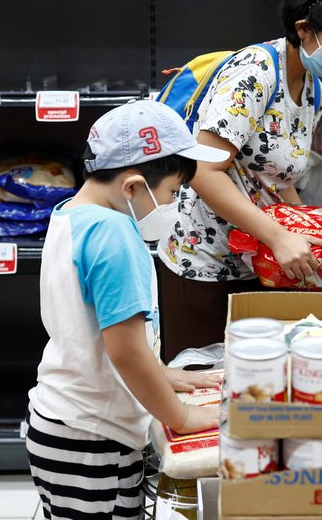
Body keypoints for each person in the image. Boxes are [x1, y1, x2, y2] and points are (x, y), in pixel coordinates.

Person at [158, 0, 322, 362]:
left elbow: (280, 177)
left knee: (253, 381)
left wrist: (311, 238)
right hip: (205, 263)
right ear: (304, 28)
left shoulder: (314, 90)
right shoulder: (255, 73)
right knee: (201, 388)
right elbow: (204, 171)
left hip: (256, 264)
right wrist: (279, 237)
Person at [26, 100, 227, 519]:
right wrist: (183, 418)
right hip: (93, 441)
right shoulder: (116, 234)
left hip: (63, 421)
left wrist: (162, 375)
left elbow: (94, 332)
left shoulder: (71, 214)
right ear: (133, 186)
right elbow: (126, 351)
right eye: (173, 192)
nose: (175, 203)